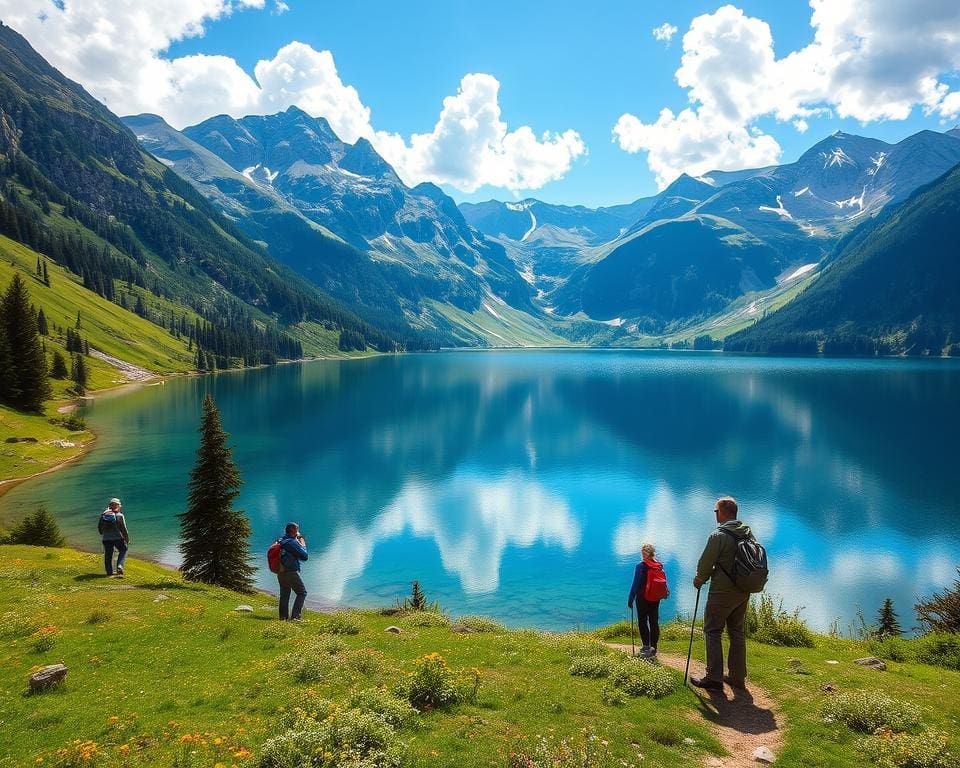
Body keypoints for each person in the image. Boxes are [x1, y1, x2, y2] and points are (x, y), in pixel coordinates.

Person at [691, 496, 754, 691]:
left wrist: (699, 580)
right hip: (743, 591)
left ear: (724, 512)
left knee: (712, 630)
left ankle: (714, 678)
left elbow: (705, 563)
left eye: (716, 511)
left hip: (722, 592)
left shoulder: (718, 535)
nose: (715, 514)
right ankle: (737, 677)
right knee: (736, 632)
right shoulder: (747, 533)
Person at [627, 542, 670, 657]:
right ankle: (654, 647)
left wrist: (631, 599)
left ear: (643, 553)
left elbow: (635, 584)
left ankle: (646, 646)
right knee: (654, 621)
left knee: (642, 621)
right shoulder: (658, 565)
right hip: (655, 598)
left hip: (642, 598)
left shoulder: (641, 566)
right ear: (653, 553)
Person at [277, 522, 309, 620]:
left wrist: (296, 539)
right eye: (297, 530)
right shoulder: (292, 542)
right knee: (302, 593)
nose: (298, 532)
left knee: (284, 594)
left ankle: (283, 618)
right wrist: (302, 542)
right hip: (291, 572)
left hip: (281, 571)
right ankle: (296, 617)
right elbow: (304, 556)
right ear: (294, 530)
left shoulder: (282, 540)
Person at [98, 497, 129, 577]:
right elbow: (124, 529)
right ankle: (119, 566)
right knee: (123, 549)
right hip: (117, 538)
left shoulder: (104, 515)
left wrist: (102, 533)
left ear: (109, 506)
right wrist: (127, 539)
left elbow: (99, 527)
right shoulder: (119, 515)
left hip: (106, 539)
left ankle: (109, 572)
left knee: (108, 555)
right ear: (118, 506)